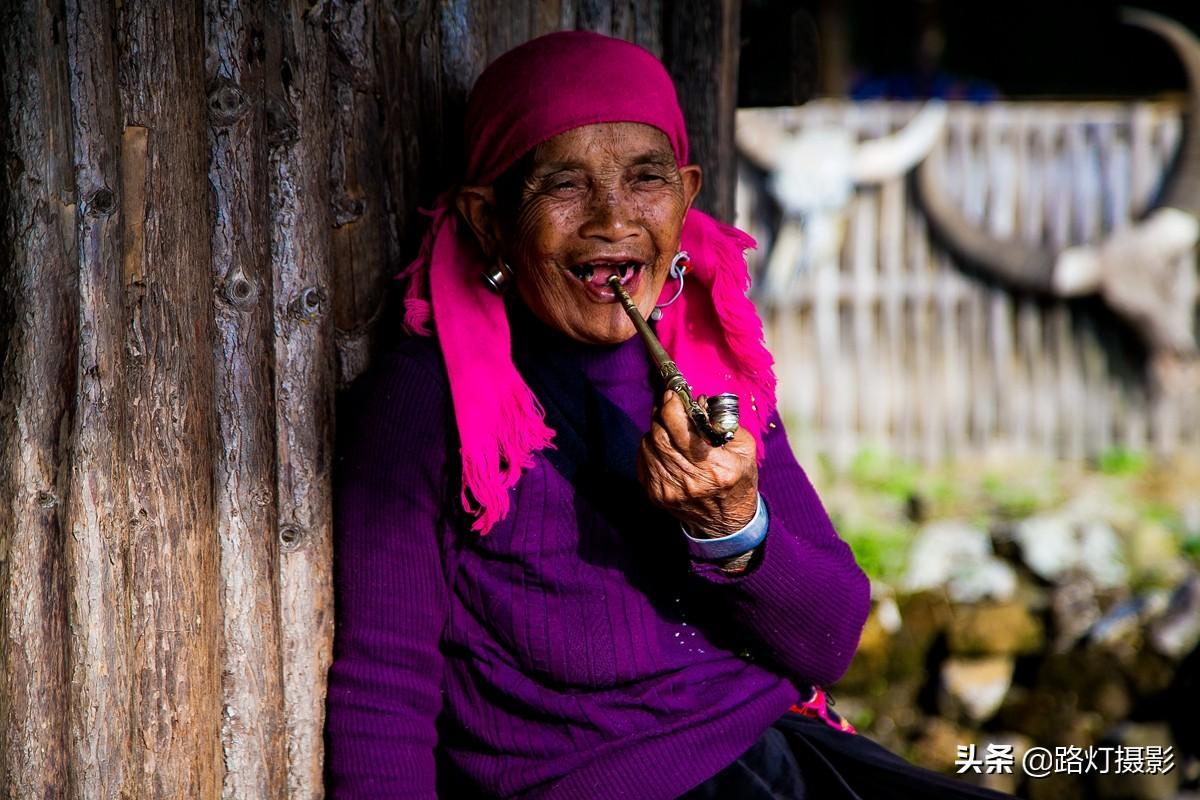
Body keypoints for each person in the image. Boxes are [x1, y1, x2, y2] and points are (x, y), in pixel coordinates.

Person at [326, 30, 1010, 800]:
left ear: (685, 195)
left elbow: (829, 642)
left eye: (645, 178)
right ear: (488, 219)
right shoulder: (430, 399)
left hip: (776, 756)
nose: (614, 219)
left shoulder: (709, 360)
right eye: (565, 184)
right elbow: (386, 691)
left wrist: (734, 530)